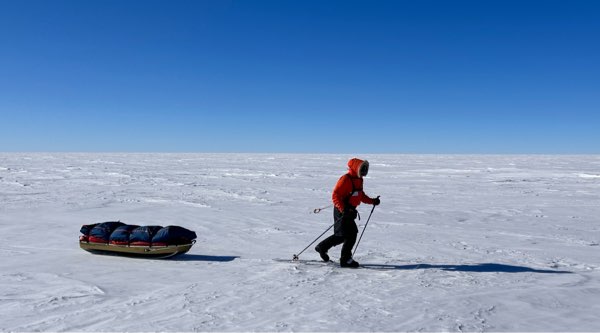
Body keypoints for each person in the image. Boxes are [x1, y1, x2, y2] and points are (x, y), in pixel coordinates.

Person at [315, 158, 380, 268]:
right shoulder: (346, 179)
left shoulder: (359, 180)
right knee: (350, 234)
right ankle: (345, 260)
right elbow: (335, 195)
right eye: (362, 169)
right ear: (356, 168)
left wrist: (372, 201)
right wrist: (343, 209)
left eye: (365, 170)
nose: (364, 173)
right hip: (342, 210)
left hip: (350, 211)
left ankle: (322, 247)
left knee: (343, 235)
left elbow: (360, 195)